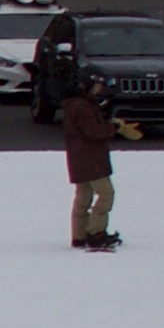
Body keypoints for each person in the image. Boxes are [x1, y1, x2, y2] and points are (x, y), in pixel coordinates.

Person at [61, 78, 120, 253]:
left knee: (84, 196)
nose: (99, 89)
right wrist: (113, 127)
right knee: (106, 194)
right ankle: (96, 232)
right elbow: (93, 131)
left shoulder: (74, 104)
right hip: (91, 159)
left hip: (79, 158)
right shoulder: (83, 106)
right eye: (97, 85)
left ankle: (79, 235)